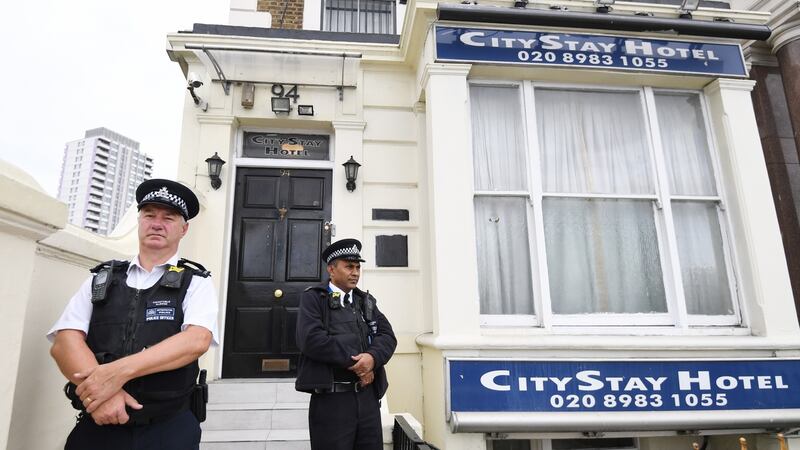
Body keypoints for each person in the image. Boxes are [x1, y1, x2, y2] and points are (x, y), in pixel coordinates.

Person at [48, 179, 219, 450]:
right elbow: (64, 342)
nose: (157, 223)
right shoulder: (102, 279)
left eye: (169, 217)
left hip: (168, 427)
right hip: (100, 423)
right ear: (139, 221)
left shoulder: (195, 281)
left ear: (183, 229)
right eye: (149, 215)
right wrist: (105, 397)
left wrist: (115, 374)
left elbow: (195, 340)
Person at [295, 238, 397, 450]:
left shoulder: (365, 301)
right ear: (331, 269)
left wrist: (372, 358)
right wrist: (360, 366)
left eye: (358, 267)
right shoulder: (314, 298)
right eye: (349, 266)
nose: (355, 272)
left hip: (367, 399)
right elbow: (312, 339)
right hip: (332, 403)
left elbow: (387, 336)